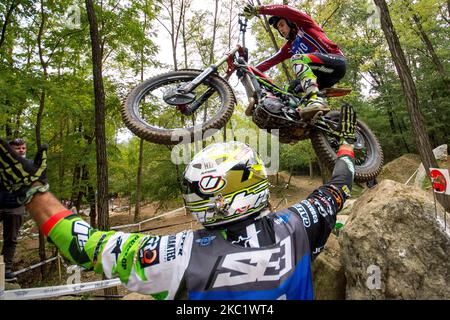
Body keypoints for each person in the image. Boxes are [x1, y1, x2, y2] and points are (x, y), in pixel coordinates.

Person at [0, 105, 357, 300]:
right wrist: (345, 146)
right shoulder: (299, 223)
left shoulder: (180, 254)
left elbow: (83, 246)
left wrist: (34, 192)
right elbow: (339, 185)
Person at [243, 4, 347, 120]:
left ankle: (315, 100)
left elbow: (286, 10)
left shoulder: (305, 25)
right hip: (320, 77)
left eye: (282, 25)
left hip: (336, 62)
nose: (280, 30)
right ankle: (296, 117)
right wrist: (246, 69)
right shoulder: (289, 47)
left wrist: (259, 10)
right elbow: (269, 62)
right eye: (278, 28)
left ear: (290, 22)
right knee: (287, 89)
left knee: (298, 58)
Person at [0, 138, 31, 281]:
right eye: (18, 148)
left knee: (11, 239)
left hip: (16, 207)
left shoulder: (30, 165)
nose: (21, 150)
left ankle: (5, 269)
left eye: (23, 148)